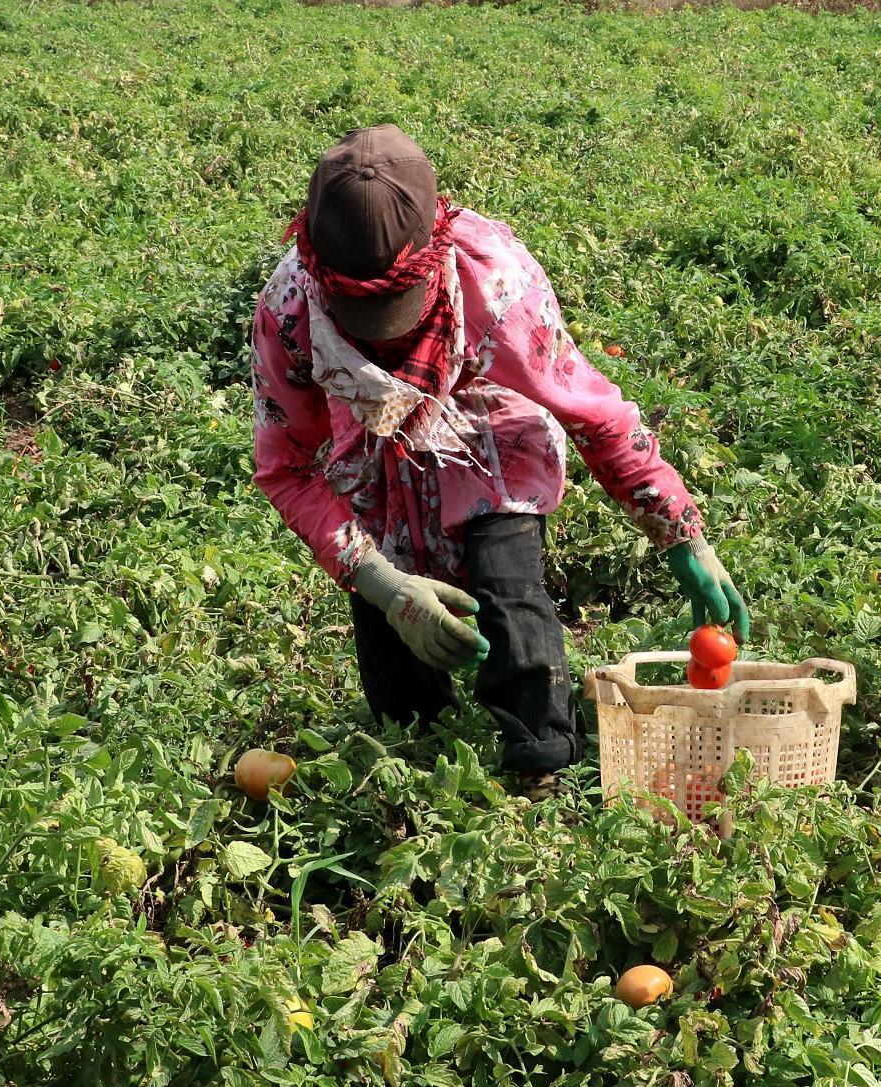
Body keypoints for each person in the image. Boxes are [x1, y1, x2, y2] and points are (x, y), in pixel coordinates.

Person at [250, 126, 749, 788]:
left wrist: (681, 531)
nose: (384, 336)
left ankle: (541, 758)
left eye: (395, 310)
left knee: (507, 585)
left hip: (489, 427)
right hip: (372, 443)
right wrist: (380, 582)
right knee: (396, 652)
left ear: (435, 255)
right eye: (361, 314)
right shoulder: (290, 309)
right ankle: (419, 761)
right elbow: (286, 465)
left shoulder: (496, 285)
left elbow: (589, 409)